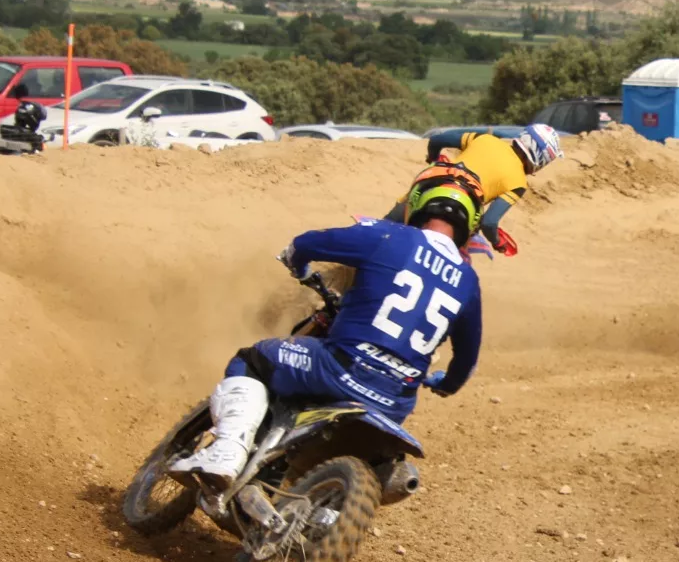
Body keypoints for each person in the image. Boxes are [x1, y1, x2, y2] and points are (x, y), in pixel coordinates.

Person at [170, 182, 485, 483]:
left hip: (339, 368)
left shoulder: (391, 236)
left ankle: (227, 451)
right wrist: (445, 384)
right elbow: (467, 358)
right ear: (468, 229)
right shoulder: (469, 281)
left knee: (252, 361)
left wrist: (297, 261)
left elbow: (310, 243)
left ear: (418, 205)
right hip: (395, 401)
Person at [395, 124, 563, 252]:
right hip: (462, 210)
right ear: (541, 159)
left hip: (431, 185)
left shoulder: (485, 139)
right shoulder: (519, 183)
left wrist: (433, 159)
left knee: (389, 229)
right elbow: (489, 222)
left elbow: (437, 140)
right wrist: (498, 242)